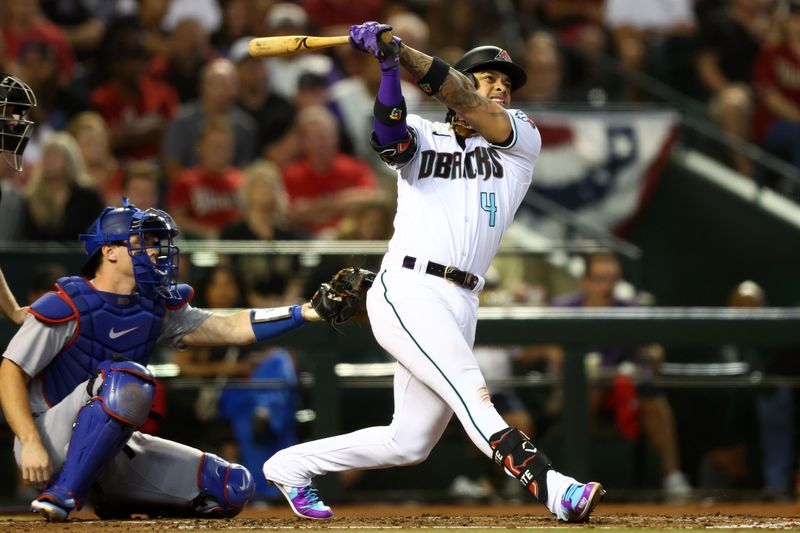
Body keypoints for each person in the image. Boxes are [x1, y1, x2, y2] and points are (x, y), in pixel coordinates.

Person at [263, 21, 604, 523]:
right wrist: (386, 69)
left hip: (463, 298)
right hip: (410, 287)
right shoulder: (426, 131)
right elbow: (388, 139)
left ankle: (289, 465)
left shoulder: (520, 139)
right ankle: (555, 487)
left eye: (506, 83)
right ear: (458, 83)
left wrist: (399, 54)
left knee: (409, 442)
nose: (501, 88)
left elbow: (471, 104)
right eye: (489, 78)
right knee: (474, 395)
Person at [0, 198, 329, 522]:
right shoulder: (65, 304)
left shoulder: (153, 307)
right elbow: (10, 371)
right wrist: (30, 442)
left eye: (156, 242)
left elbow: (231, 327)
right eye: (141, 242)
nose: (155, 250)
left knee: (230, 487)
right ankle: (63, 494)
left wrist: (306, 311)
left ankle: (116, 499)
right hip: (49, 440)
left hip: (112, 448)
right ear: (109, 251)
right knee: (128, 380)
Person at [550, 252, 692, 502]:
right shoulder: (563, 308)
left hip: (619, 391)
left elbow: (653, 349)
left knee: (654, 403)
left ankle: (673, 478)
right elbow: (533, 350)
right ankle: (575, 482)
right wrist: (557, 355)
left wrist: (647, 357)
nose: (607, 286)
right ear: (585, 281)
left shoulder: (629, 309)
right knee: (589, 391)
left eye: (612, 279)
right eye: (600, 279)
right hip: (571, 393)